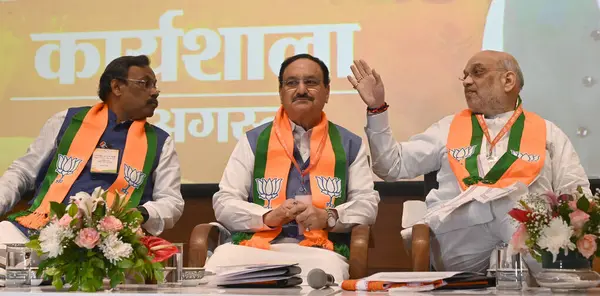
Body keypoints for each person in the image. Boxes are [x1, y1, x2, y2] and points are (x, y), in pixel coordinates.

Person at [348, 50, 591, 272]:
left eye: (477, 73)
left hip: (527, 242)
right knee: (509, 201)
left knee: (523, 210)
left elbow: (576, 193)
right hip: (461, 236)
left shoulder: (548, 133)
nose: (466, 82)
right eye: (464, 76)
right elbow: (391, 165)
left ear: (508, 81)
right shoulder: (448, 127)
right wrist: (377, 108)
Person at [205, 53, 380, 282]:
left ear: (327, 91)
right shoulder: (253, 141)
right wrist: (267, 216)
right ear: (280, 92)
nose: (301, 90)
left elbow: (367, 204)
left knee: (324, 273)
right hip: (254, 248)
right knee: (216, 268)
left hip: (320, 251)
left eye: (311, 82)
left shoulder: (350, 144)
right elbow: (224, 201)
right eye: (291, 83)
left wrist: (328, 216)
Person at [0, 55, 184, 245]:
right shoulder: (67, 121)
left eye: (154, 85)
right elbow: (23, 171)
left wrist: (141, 213)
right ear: (117, 87)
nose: (154, 92)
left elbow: (171, 202)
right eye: (145, 84)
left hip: (112, 242)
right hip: (43, 229)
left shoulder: (160, 142)